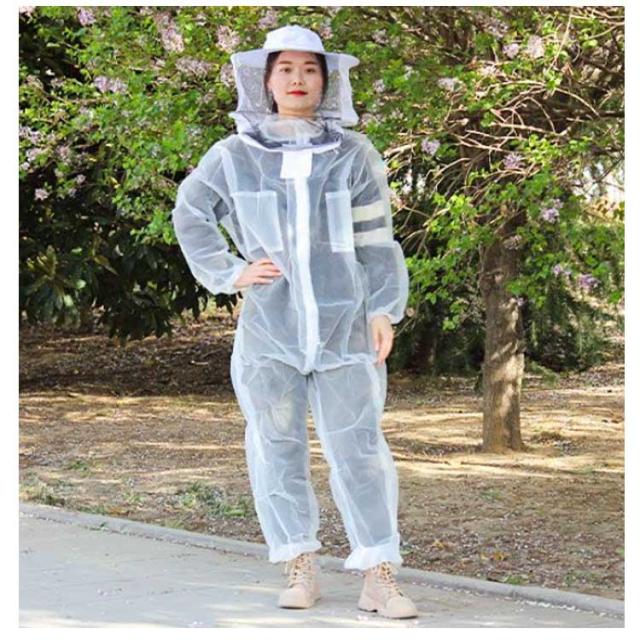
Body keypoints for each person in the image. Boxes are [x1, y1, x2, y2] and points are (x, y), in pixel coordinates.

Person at [171, 24, 417, 619]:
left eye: (310, 69)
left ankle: (378, 574)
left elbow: (376, 238)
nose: (298, 80)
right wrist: (231, 271)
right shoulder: (234, 155)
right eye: (286, 69)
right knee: (276, 443)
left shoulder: (354, 154)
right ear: (266, 80)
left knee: (359, 446)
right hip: (270, 330)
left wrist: (383, 308)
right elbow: (192, 212)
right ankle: (299, 565)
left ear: (327, 81)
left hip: (346, 327)